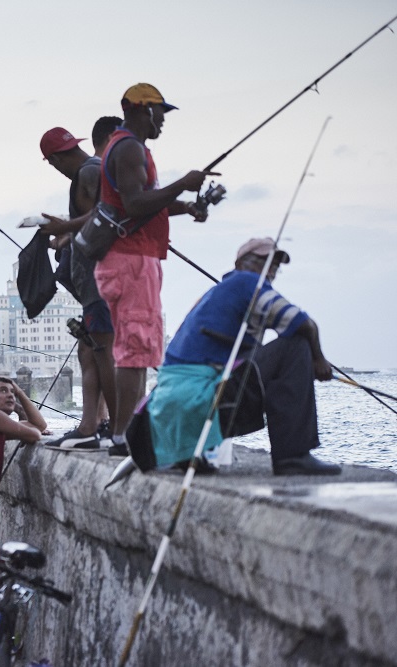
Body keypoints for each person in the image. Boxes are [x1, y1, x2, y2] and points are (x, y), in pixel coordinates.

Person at [144, 238, 341, 476]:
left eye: (275, 265)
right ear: (240, 263)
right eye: (264, 261)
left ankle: (189, 454)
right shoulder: (247, 282)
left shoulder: (215, 294)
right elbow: (304, 324)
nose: (271, 270)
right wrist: (318, 361)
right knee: (296, 346)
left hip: (173, 410)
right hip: (201, 398)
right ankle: (293, 456)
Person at [94, 83, 214, 457]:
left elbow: (146, 204)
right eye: (160, 112)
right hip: (131, 260)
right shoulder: (129, 147)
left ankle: (129, 432)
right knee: (135, 348)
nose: (162, 120)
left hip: (133, 258)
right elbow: (133, 202)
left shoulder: (130, 147)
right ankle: (126, 436)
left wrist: (187, 206)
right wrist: (184, 183)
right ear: (143, 111)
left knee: (140, 348)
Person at [39, 118, 123, 449]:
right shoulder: (91, 171)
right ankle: (92, 424)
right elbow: (93, 224)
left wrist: (67, 224)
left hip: (101, 283)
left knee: (103, 353)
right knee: (89, 353)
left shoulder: (89, 172)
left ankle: (117, 430)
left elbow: (110, 212)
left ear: (56, 159)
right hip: (92, 285)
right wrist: (64, 237)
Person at [0, 377, 46, 598]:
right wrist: (20, 406)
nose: (10, 395)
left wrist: (21, 393)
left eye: (12, 392)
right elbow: (35, 433)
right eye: (3, 391)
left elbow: (39, 425)